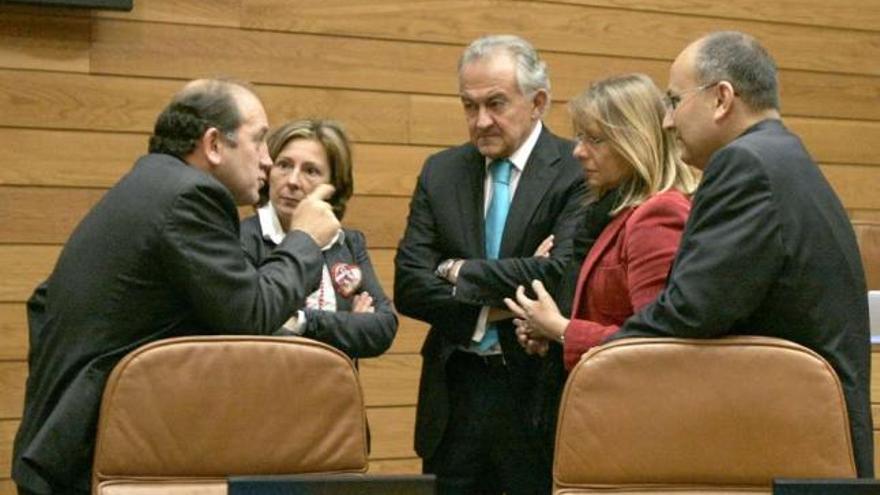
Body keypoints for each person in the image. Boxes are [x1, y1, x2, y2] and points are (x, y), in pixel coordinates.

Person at [12, 79, 340, 495]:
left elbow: (43, 301)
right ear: (214, 144)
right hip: (94, 460)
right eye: (259, 141)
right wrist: (305, 239)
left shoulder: (149, 185)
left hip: (65, 443)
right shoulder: (190, 196)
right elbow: (251, 313)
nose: (267, 159)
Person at [608, 31, 873, 476]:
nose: (668, 122)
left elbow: (692, 310)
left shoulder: (745, 164)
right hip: (808, 436)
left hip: (789, 446)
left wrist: (602, 352)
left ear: (721, 98)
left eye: (673, 101)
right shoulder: (782, 156)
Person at [394, 34, 588, 494]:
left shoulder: (575, 170)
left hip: (536, 396)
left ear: (538, 101)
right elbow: (409, 285)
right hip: (454, 396)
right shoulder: (441, 172)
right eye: (469, 106)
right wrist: (503, 303)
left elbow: (559, 275)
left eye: (496, 104)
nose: (481, 121)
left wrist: (456, 269)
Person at [504, 73, 698, 370]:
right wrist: (550, 332)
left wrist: (561, 329)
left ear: (636, 140)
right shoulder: (605, 213)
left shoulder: (657, 214)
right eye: (580, 136)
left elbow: (657, 343)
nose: (578, 151)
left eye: (595, 139)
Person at [240, 119, 397, 358]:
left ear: (333, 186)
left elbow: (383, 328)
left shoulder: (348, 242)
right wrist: (347, 325)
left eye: (310, 171)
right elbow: (255, 330)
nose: (292, 181)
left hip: (335, 390)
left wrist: (301, 321)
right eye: (284, 165)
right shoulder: (243, 238)